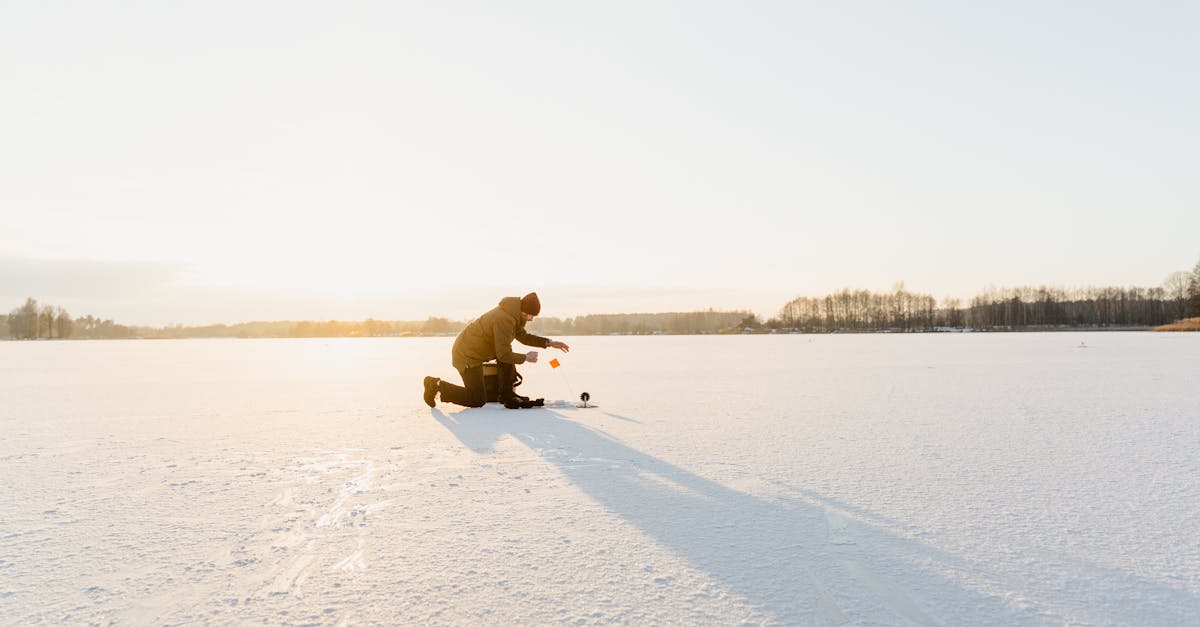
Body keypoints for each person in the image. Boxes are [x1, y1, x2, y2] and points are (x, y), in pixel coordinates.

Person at [423, 292, 570, 409]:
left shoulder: (514, 315)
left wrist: (549, 343)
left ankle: (506, 394)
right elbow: (503, 354)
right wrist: (525, 357)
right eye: (531, 315)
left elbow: (523, 337)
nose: (531, 319)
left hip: (476, 352)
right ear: (524, 311)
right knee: (477, 399)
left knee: (507, 352)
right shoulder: (504, 319)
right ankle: (435, 385)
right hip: (466, 355)